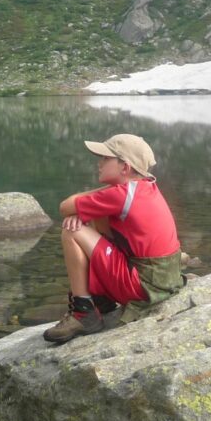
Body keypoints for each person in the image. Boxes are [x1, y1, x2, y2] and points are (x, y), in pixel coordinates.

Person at [43, 133, 183, 344]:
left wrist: (93, 198)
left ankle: (84, 313)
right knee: (95, 214)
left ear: (124, 168)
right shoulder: (145, 187)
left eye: (106, 158)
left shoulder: (120, 195)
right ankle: (102, 301)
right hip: (162, 279)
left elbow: (65, 206)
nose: (99, 163)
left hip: (144, 287)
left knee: (71, 230)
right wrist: (92, 204)